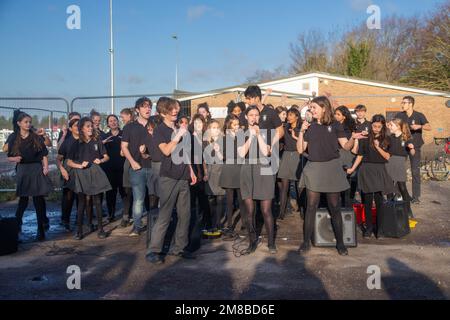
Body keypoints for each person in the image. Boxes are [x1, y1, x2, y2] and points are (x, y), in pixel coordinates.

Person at [297, 96, 365, 256]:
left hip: (332, 169)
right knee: (311, 207)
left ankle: (340, 243)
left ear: (324, 108)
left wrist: (353, 139)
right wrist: (302, 131)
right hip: (314, 169)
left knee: (335, 207)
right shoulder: (309, 126)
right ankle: (306, 242)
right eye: (311, 108)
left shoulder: (335, 125)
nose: (311, 110)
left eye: (314, 107)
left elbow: (346, 147)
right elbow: (300, 150)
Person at [146, 98, 197, 264]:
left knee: (185, 214)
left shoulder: (178, 128)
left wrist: (191, 170)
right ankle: (153, 251)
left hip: (183, 176)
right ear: (162, 113)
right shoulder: (160, 131)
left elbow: (184, 152)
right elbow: (166, 151)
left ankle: (179, 248)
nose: (175, 111)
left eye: (176, 108)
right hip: (168, 177)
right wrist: (179, 135)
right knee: (165, 215)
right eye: (171, 110)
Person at [7, 112, 52, 241]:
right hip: (23, 170)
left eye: (29, 122)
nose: (28, 124)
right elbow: (9, 156)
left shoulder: (35, 136)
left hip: (36, 169)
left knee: (38, 200)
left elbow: (44, 153)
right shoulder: (14, 137)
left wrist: (45, 166)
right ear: (19, 123)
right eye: (26, 122)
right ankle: (15, 226)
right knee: (23, 200)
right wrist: (14, 158)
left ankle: (40, 230)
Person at [347, 114, 393, 238]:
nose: (376, 128)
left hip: (379, 170)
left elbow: (387, 157)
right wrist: (352, 168)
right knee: (366, 202)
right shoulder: (365, 139)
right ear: (371, 125)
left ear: (383, 127)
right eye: (374, 126)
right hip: (366, 170)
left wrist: (378, 147)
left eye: (379, 126)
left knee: (379, 201)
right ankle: (368, 228)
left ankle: (380, 230)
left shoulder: (387, 139)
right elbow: (360, 155)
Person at [67, 117, 111, 240]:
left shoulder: (97, 141)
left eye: (91, 126)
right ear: (82, 128)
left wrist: (101, 160)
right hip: (82, 174)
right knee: (81, 203)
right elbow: (69, 162)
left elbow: (106, 157)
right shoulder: (76, 144)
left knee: (97, 201)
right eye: (87, 126)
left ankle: (101, 229)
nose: (90, 128)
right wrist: (80, 165)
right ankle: (80, 231)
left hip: (96, 172)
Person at [121, 97, 158, 237]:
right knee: (138, 199)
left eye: (149, 106)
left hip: (153, 166)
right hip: (137, 168)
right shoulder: (130, 127)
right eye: (144, 106)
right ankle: (137, 226)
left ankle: (154, 224)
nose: (148, 109)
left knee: (154, 197)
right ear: (137, 110)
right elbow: (124, 147)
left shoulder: (155, 125)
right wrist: (133, 162)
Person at [395, 96, 431, 204]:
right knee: (399, 171)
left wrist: (419, 126)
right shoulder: (400, 115)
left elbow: (429, 127)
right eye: (402, 102)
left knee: (415, 171)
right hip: (402, 146)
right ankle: (400, 194)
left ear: (410, 104)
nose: (402, 104)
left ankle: (416, 197)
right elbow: (393, 126)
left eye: (404, 102)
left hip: (415, 146)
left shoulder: (419, 115)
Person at [219, 115, 245, 238]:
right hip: (229, 170)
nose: (237, 127)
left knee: (242, 199)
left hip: (240, 169)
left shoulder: (242, 137)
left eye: (238, 124)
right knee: (229, 201)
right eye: (234, 124)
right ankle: (230, 224)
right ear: (229, 125)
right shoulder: (224, 138)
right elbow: (224, 155)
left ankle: (245, 223)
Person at [386, 118, 415, 217]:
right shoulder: (390, 137)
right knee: (389, 188)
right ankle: (390, 211)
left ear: (398, 126)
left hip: (400, 163)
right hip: (389, 163)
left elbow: (412, 153)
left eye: (391, 125)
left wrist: (411, 148)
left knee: (402, 187)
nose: (389, 127)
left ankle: (408, 211)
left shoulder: (406, 138)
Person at [277, 108, 301, 220]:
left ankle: (302, 210)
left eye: (291, 115)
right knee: (284, 186)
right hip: (286, 156)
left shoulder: (301, 128)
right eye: (288, 115)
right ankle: (281, 212)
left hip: (297, 156)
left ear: (297, 116)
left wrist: (295, 136)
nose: (288, 117)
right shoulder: (285, 127)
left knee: (298, 186)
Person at [57, 118, 80, 231]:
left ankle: (80, 221)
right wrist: (62, 169)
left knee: (82, 197)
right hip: (69, 171)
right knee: (68, 197)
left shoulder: (85, 140)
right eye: (76, 125)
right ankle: (65, 220)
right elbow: (59, 158)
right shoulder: (67, 142)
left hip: (82, 171)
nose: (78, 127)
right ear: (71, 128)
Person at [203, 120, 226, 234]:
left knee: (220, 199)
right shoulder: (206, 142)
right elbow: (204, 160)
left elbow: (224, 158)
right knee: (210, 199)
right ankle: (211, 223)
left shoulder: (224, 141)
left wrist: (218, 151)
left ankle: (219, 224)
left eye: (217, 127)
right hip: (210, 172)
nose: (215, 129)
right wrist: (205, 173)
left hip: (220, 170)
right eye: (213, 127)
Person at [103, 115, 126, 222]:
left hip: (123, 169)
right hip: (109, 170)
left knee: (124, 192)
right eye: (110, 121)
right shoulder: (105, 136)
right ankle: (111, 215)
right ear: (108, 124)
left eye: (115, 120)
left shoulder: (124, 134)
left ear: (118, 122)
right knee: (110, 194)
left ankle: (127, 214)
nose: (113, 122)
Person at [334, 106, 358, 207]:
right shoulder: (333, 125)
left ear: (344, 116)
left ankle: (346, 204)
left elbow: (350, 143)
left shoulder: (347, 128)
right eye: (335, 114)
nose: (335, 116)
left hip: (345, 154)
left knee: (346, 180)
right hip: (336, 154)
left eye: (338, 114)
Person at [119, 108, 134, 227]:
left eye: (123, 116)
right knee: (129, 190)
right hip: (129, 162)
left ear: (129, 115)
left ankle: (127, 216)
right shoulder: (127, 128)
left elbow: (124, 150)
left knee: (129, 191)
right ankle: (127, 215)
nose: (122, 119)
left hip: (131, 162)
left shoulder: (128, 127)